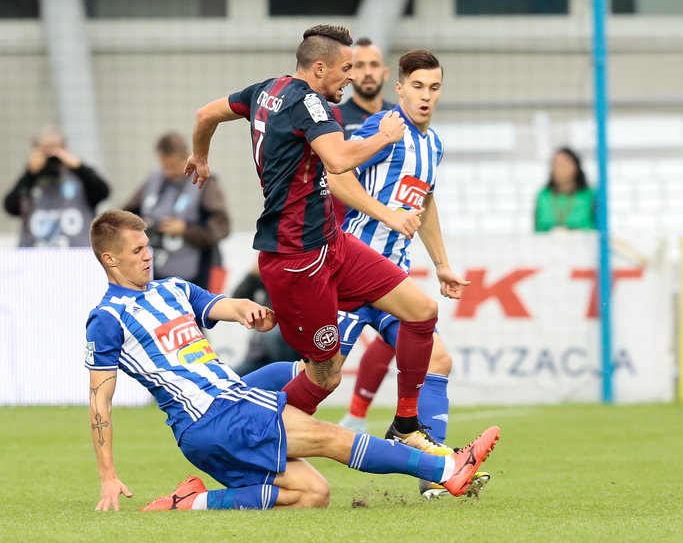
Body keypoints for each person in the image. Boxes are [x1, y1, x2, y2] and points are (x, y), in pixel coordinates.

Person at [85, 209, 499, 512]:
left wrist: (250, 310)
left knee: (312, 495)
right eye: (137, 250)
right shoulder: (107, 319)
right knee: (328, 437)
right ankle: (447, 470)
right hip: (213, 416)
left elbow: (223, 305)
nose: (148, 255)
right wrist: (107, 476)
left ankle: (192, 502)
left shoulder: (172, 289)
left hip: (215, 424)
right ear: (110, 259)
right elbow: (99, 404)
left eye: (147, 246)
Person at [185, 24, 448, 455]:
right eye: (346, 68)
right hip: (297, 258)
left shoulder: (265, 90)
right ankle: (246, 435)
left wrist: (201, 155)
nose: (350, 76)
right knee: (324, 375)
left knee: (422, 311)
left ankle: (405, 423)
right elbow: (340, 159)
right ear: (320, 68)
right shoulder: (312, 104)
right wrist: (385, 135)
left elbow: (204, 115)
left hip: (332, 243)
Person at [329, 50, 481, 499]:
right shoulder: (383, 127)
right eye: (417, 87)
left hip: (391, 279)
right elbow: (336, 175)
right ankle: (243, 407)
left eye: (434, 88)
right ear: (400, 89)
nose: (426, 96)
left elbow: (424, 202)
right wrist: (386, 215)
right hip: (353, 271)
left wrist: (441, 264)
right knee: (320, 376)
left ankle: (431, 475)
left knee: (438, 358)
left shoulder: (433, 144)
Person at [123, 132, 230, 290]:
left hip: (197, 277)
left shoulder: (205, 183)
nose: (169, 172)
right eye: (165, 166)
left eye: (173, 166)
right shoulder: (154, 179)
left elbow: (221, 228)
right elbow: (126, 215)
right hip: (155, 273)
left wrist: (185, 230)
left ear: (187, 157)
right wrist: (142, 225)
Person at [3, 126, 109, 247]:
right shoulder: (29, 182)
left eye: (56, 149)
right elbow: (10, 207)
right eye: (45, 150)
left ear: (66, 149)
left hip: (78, 257)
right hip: (34, 258)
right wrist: (29, 174)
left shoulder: (80, 179)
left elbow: (103, 192)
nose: (51, 156)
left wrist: (79, 167)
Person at [331, 36, 396, 224]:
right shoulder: (332, 118)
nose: (367, 72)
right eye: (359, 65)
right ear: (349, 72)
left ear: (385, 73)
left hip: (389, 231)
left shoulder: (400, 118)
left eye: (374, 65)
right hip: (344, 231)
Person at [534, 147, 596, 232]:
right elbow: (539, 229)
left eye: (563, 164)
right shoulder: (543, 196)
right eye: (555, 164)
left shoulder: (589, 195)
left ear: (576, 166)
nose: (559, 169)